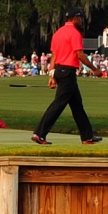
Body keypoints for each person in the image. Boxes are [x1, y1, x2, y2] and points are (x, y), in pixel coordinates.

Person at [32, 10, 101, 146]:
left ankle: (87, 136)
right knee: (58, 104)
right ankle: (39, 133)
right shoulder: (74, 33)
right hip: (67, 71)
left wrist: (51, 75)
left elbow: (55, 56)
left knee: (77, 106)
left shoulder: (58, 33)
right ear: (75, 18)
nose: (81, 21)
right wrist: (94, 69)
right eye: (80, 18)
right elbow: (80, 54)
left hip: (60, 70)